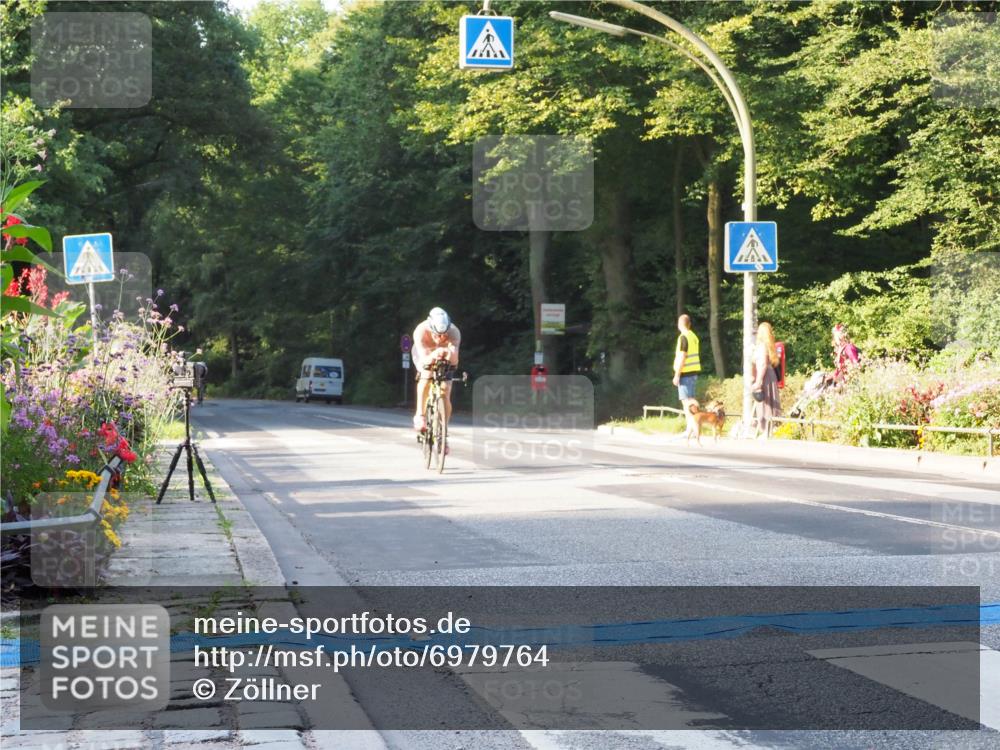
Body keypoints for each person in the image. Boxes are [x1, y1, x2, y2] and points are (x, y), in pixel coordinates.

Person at [412, 307, 461, 432]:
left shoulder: (454, 332)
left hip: (444, 356)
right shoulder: (420, 331)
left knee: (446, 388)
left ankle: (444, 429)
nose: (440, 338)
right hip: (424, 353)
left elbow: (454, 361)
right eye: (437, 334)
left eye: (444, 334)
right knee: (426, 375)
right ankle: (420, 415)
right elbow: (424, 359)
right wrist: (435, 354)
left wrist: (450, 354)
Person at [671, 314, 701, 438]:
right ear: (689, 324)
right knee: (692, 402)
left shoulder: (683, 337)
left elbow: (683, 356)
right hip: (693, 373)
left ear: (679, 324)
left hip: (685, 373)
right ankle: (694, 429)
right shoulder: (693, 336)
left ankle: (690, 431)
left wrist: (677, 375)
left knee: (687, 404)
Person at [751, 321, 782, 438]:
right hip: (768, 374)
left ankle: (766, 430)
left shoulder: (762, 346)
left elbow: (762, 364)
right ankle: (768, 429)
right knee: (766, 403)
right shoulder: (767, 346)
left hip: (764, 376)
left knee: (765, 403)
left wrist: (758, 381)